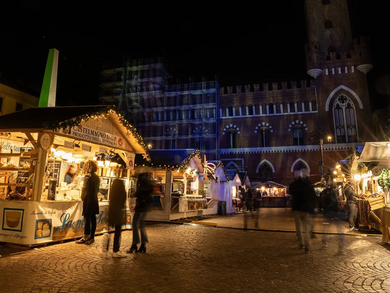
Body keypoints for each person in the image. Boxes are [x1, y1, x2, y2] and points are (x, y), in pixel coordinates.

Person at [288, 169, 317, 253]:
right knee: (307, 228)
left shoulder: (293, 185)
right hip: (306, 209)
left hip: (297, 208)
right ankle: (307, 245)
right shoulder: (309, 185)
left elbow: (291, 192)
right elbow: (313, 197)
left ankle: (301, 242)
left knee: (298, 227)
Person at [127, 172, 154, 254]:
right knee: (141, 225)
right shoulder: (148, 182)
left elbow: (138, 193)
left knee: (134, 224)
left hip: (140, 207)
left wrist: (134, 193)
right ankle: (143, 245)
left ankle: (134, 244)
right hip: (145, 206)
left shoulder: (142, 182)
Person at [76, 160, 100, 245]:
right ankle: (92, 237)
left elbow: (85, 189)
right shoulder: (97, 177)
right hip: (94, 199)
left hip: (88, 200)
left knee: (87, 218)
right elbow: (97, 190)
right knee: (93, 219)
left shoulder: (87, 177)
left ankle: (86, 236)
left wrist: (82, 197)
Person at [321, 184, 346, 254]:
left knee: (326, 228)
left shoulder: (330, 193)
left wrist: (326, 210)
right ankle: (341, 248)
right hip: (336, 212)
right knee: (340, 230)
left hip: (331, 213)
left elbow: (333, 202)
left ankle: (325, 244)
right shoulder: (336, 192)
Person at [108, 179, 127, 258]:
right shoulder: (121, 194)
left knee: (110, 232)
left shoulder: (112, 193)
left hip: (111, 212)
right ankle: (116, 250)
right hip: (118, 213)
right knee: (118, 232)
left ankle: (106, 249)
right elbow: (123, 201)